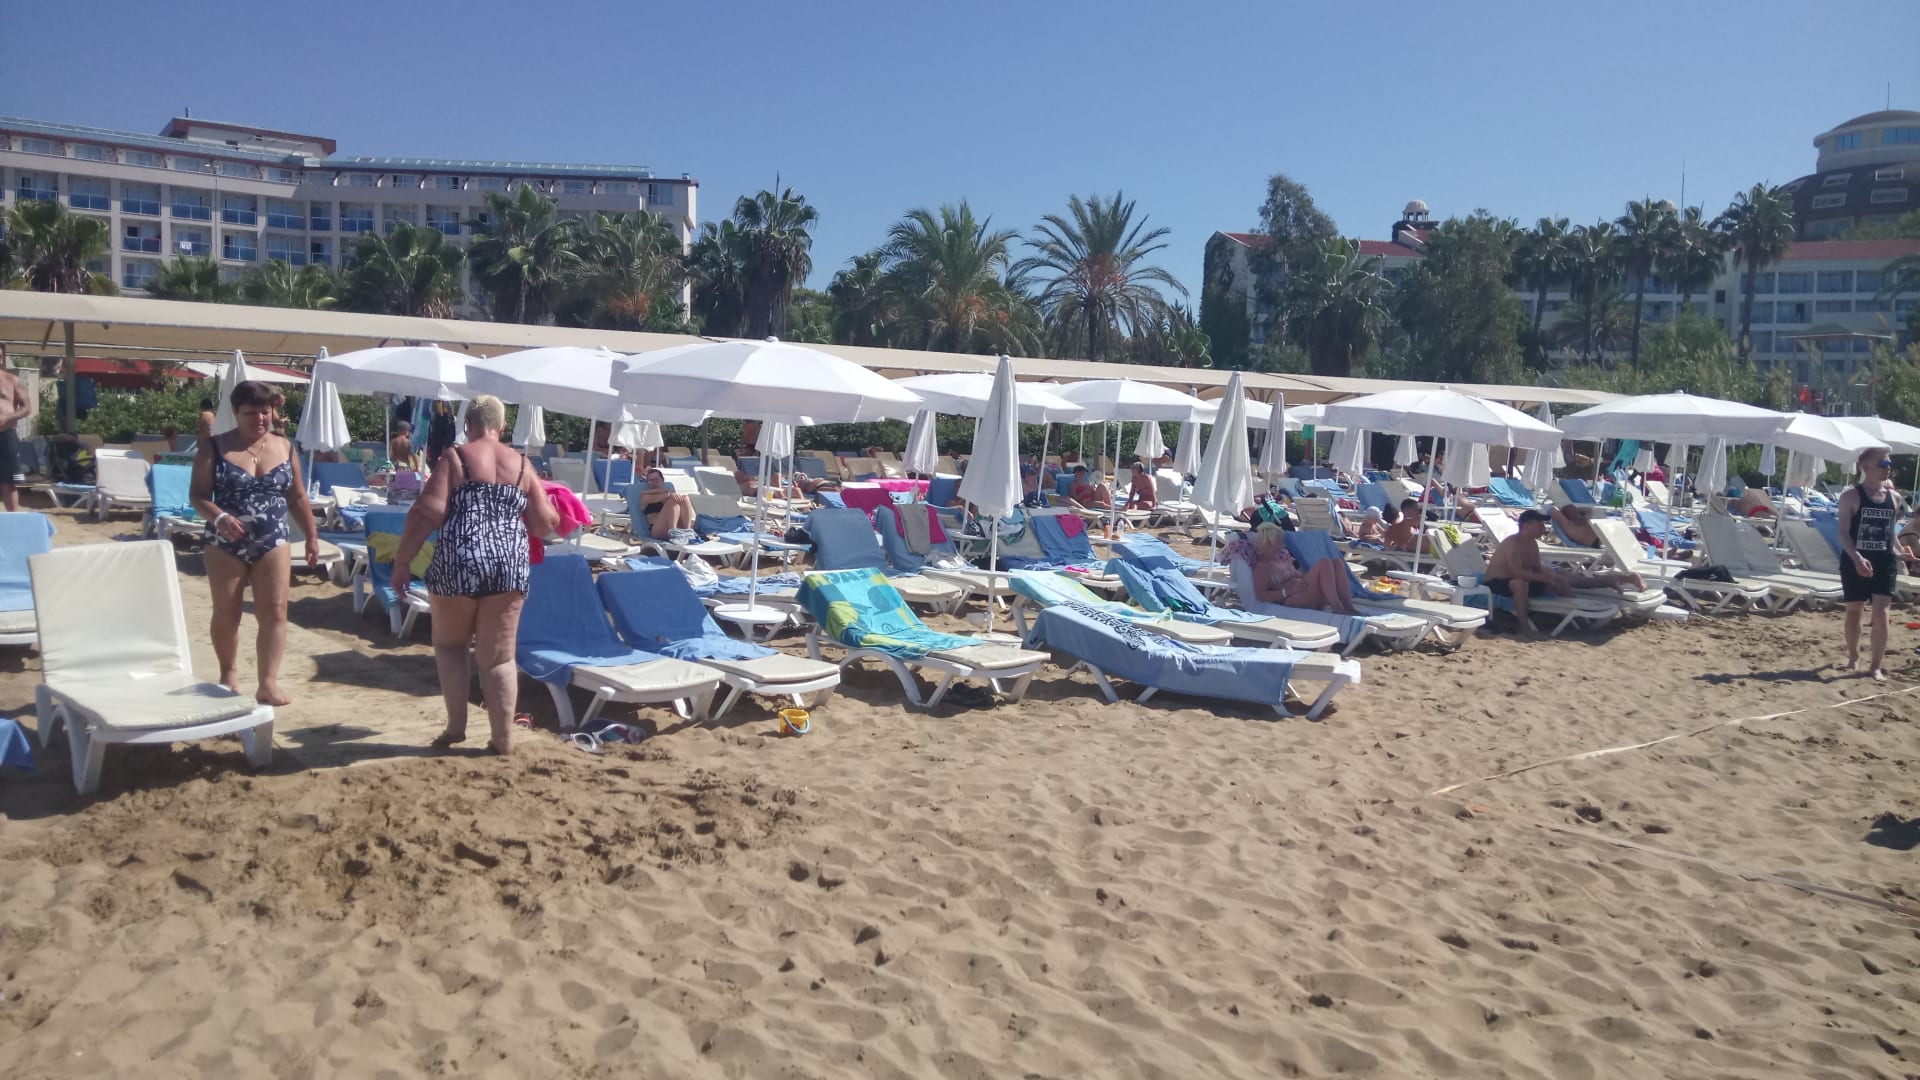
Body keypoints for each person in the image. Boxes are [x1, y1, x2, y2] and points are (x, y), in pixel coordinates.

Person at [393, 396, 558, 755]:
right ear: (502, 427)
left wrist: (402, 561)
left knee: (451, 646)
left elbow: (427, 511)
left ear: (467, 425)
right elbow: (544, 524)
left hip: (460, 559)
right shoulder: (522, 464)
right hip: (508, 564)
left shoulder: (456, 457)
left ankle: (456, 726)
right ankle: (503, 738)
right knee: (499, 658)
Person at [190, 381, 320, 706]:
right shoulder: (215, 447)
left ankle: (268, 683)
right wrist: (219, 517)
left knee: (275, 611)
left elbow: (297, 496)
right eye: (251, 413)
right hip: (225, 541)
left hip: (273, 538)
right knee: (227, 611)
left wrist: (312, 535)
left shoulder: (285, 447)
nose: (260, 419)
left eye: (265, 411)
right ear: (236, 412)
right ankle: (228, 674)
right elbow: (198, 495)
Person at [1836, 447, 1903, 681]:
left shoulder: (1894, 497)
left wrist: (1901, 551)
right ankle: (1854, 656)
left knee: (1882, 613)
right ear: (1866, 467)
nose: (1888, 468)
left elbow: (1890, 532)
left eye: (1889, 464)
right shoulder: (1851, 496)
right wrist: (1857, 558)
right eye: (1883, 464)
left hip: (1884, 561)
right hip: (1855, 558)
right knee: (1855, 611)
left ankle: (1876, 665)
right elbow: (1843, 532)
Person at [1242, 522, 1358, 614]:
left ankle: (1348, 606)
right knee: (1324, 563)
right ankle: (1337, 608)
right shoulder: (1263, 567)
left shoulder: (1282, 559)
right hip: (1294, 599)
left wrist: (1302, 576)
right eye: (1278, 541)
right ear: (1268, 543)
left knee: (1337, 562)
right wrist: (1286, 592)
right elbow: (1261, 595)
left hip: (1307, 594)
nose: (1282, 544)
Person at [634, 465, 698, 541]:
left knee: (685, 498)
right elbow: (656, 498)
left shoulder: (670, 494)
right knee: (672, 502)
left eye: (656, 479)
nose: (654, 482)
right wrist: (669, 494)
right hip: (658, 530)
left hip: (679, 527)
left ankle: (688, 531)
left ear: (662, 480)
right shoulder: (645, 496)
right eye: (651, 480)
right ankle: (674, 533)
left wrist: (669, 493)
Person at [0, 356, 29, 512]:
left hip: (5, 435)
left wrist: (7, 418)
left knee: (8, 482)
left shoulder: (12, 380)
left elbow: (27, 407)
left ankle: (13, 518)